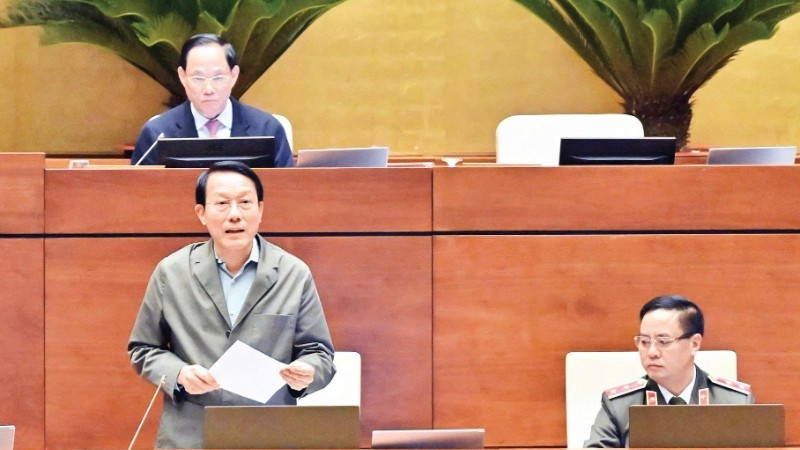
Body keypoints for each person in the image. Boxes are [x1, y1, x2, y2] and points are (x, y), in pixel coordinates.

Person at [128, 161, 334, 448]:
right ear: (201, 213)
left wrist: (307, 372)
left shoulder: (293, 273)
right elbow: (143, 348)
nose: (234, 214)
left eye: (245, 202)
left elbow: (319, 354)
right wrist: (179, 374)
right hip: (190, 434)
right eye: (222, 203)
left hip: (269, 434)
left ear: (260, 210)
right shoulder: (171, 272)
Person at [584, 295, 753, 448]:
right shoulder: (620, 405)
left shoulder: (736, 402)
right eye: (644, 341)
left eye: (663, 341)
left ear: (694, 343)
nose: (652, 352)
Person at [130, 34, 294, 167]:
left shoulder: (267, 129)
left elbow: (287, 189)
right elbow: (137, 190)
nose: (208, 89)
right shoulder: (157, 133)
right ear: (182, 76)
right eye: (198, 78)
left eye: (218, 77)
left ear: (233, 76)